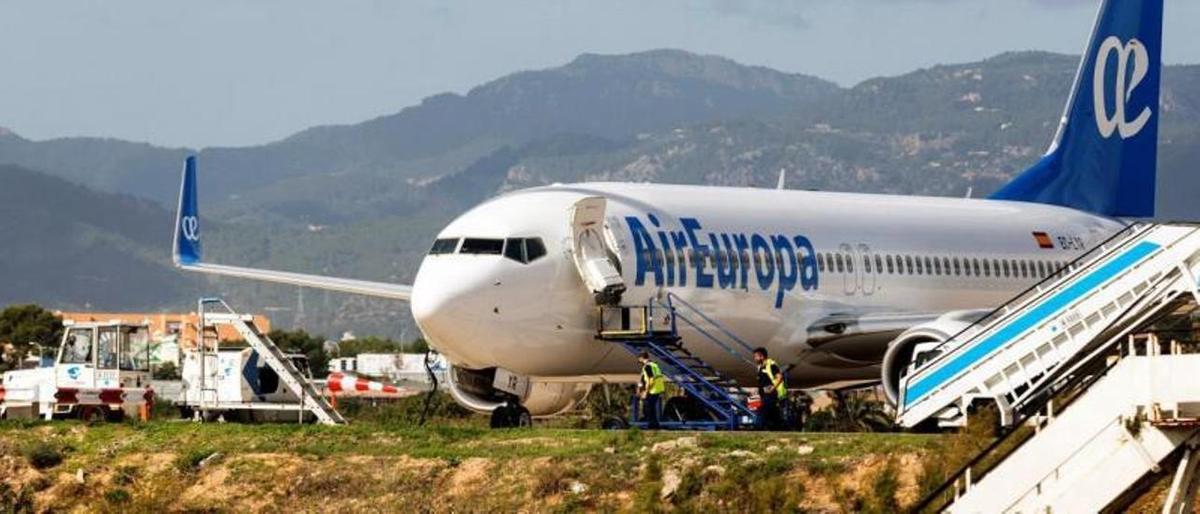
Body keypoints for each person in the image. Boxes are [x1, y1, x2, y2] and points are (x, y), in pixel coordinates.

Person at [753, 347, 786, 430]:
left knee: (762, 411)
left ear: (762, 356)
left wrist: (772, 388)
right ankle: (780, 428)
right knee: (774, 414)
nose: (755, 358)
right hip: (764, 395)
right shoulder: (761, 367)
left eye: (756, 356)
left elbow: (779, 377)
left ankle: (757, 429)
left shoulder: (771, 365)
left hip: (770, 394)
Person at [638, 351, 665, 429]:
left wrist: (646, 391)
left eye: (639, 359)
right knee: (651, 407)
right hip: (658, 388)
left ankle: (652, 425)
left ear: (642, 358)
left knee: (648, 407)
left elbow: (651, 379)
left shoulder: (647, 366)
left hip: (652, 389)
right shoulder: (654, 365)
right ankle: (654, 424)